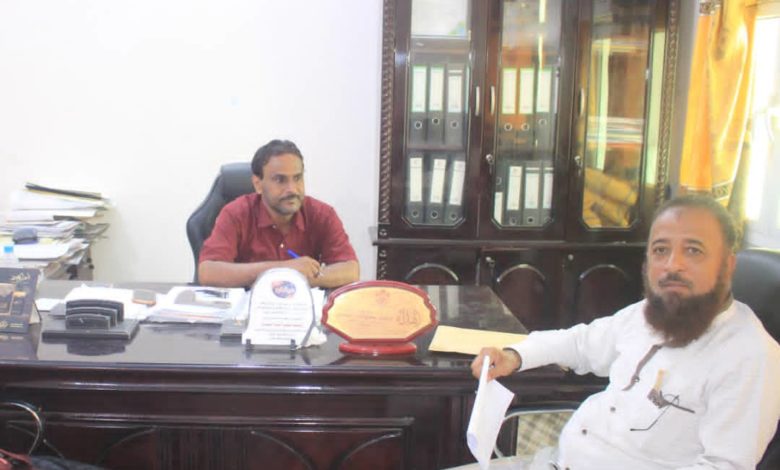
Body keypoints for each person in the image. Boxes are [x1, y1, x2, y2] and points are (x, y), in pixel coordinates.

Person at [471, 195, 780, 469]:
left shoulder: (750, 356)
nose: (673, 265)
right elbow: (580, 343)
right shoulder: (649, 313)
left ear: (728, 265)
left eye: (693, 250)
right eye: (661, 250)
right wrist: (515, 355)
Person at [198, 139, 359, 288]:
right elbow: (208, 272)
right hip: (251, 306)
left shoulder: (322, 214)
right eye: (280, 180)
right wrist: (284, 270)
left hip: (302, 306)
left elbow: (350, 270)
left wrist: (299, 278)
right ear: (258, 184)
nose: (292, 189)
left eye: (297, 178)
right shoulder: (236, 213)